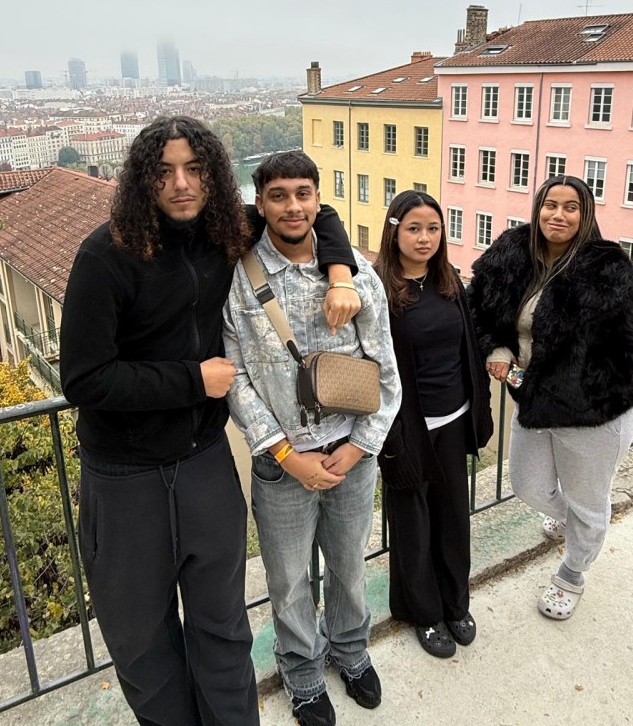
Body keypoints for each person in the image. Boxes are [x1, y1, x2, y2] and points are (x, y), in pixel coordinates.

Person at [60, 117, 360, 726]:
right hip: (124, 476)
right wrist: (193, 380)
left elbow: (315, 215)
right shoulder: (105, 255)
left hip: (202, 462)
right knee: (143, 639)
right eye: (165, 171)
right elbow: (84, 379)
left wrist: (340, 273)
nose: (181, 184)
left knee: (222, 625)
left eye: (194, 169)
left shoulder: (226, 231)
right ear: (142, 179)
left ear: (214, 177)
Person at [223, 151, 401, 726]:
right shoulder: (240, 279)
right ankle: (301, 671)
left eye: (303, 193)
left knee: (349, 566)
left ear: (318, 200)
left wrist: (359, 447)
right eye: (278, 195)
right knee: (288, 581)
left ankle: (351, 650)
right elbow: (237, 378)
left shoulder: (357, 276)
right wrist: (284, 454)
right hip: (281, 465)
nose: (292, 206)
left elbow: (386, 371)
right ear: (260, 203)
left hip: (350, 453)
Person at [468, 175, 633, 620]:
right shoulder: (512, 252)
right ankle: (583, 524)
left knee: (588, 500)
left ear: (585, 215)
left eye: (571, 207)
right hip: (533, 401)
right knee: (526, 484)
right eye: (551, 205)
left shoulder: (608, 268)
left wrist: (577, 389)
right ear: (538, 209)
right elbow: (478, 308)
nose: (558, 215)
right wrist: (496, 347)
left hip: (595, 414)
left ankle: (573, 571)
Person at [373, 191, 493, 659]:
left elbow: (469, 346)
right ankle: (423, 613)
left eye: (433, 229)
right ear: (394, 231)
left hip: (454, 418)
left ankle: (455, 603)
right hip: (406, 428)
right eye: (413, 229)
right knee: (412, 525)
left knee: (452, 519)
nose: (424, 238)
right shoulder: (378, 289)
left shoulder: (449, 281)